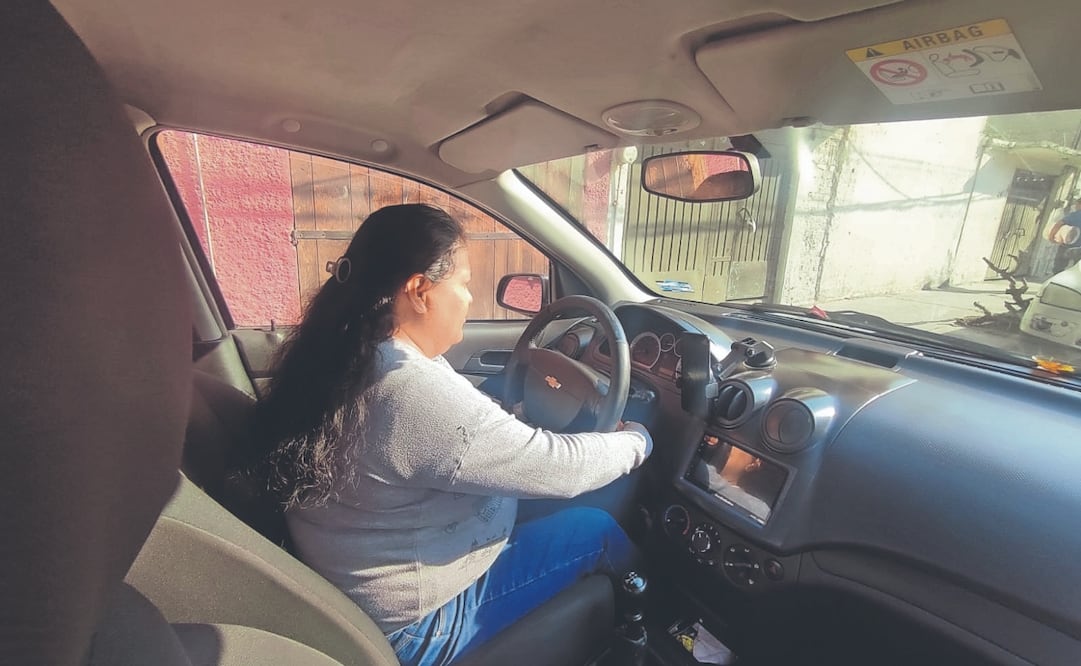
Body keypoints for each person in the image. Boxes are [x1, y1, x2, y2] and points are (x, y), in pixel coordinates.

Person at [249, 203, 653, 666]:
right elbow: (559, 469)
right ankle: (647, 632)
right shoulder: (405, 387)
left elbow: (453, 436)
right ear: (420, 290)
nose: (468, 298)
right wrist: (638, 441)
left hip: (368, 584)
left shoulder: (347, 350)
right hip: (422, 627)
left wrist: (509, 424)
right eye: (463, 284)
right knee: (596, 530)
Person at [1047, 198, 1081, 273]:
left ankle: (1056, 279)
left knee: (1058, 268)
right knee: (1077, 271)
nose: (1075, 206)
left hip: (1066, 247)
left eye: (1076, 204)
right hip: (1079, 249)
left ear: (1079, 204)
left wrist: (1051, 237)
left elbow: (1059, 224)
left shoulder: (1075, 215)